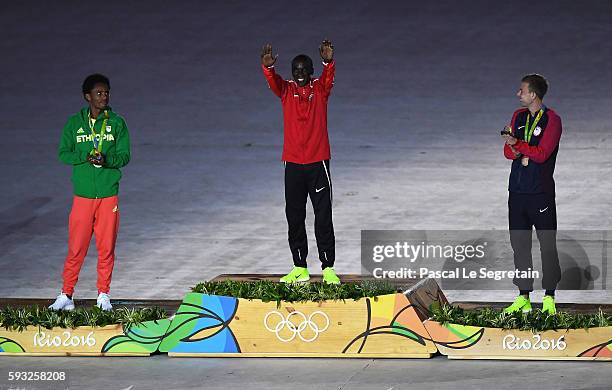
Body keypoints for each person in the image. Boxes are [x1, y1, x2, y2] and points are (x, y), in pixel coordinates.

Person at [261, 39, 340, 285]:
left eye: (305, 70)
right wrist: (268, 68)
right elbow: (273, 83)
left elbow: (328, 78)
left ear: (311, 71)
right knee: (294, 216)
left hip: (318, 163)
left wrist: (328, 62)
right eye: (296, 71)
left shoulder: (320, 90)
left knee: (323, 215)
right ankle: (299, 267)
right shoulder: (286, 90)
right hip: (293, 164)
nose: (301, 74)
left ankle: (328, 268)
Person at [49, 74, 131, 311]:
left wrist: (107, 160)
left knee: (106, 248)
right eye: (98, 93)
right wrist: (83, 156)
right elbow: (63, 153)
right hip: (83, 197)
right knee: (76, 248)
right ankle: (66, 294)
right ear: (87, 96)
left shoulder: (117, 123)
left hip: (108, 196)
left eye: (106, 92)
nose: (104, 96)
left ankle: (103, 294)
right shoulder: (74, 123)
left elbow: (125, 156)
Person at [501, 74, 562, 314]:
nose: (518, 94)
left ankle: (549, 296)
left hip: (541, 193)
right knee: (520, 246)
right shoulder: (518, 116)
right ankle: (523, 296)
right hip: (517, 192)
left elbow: (542, 154)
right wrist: (514, 146)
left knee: (547, 245)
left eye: (522, 90)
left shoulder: (552, 120)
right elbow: (508, 153)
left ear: (533, 94)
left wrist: (517, 144)